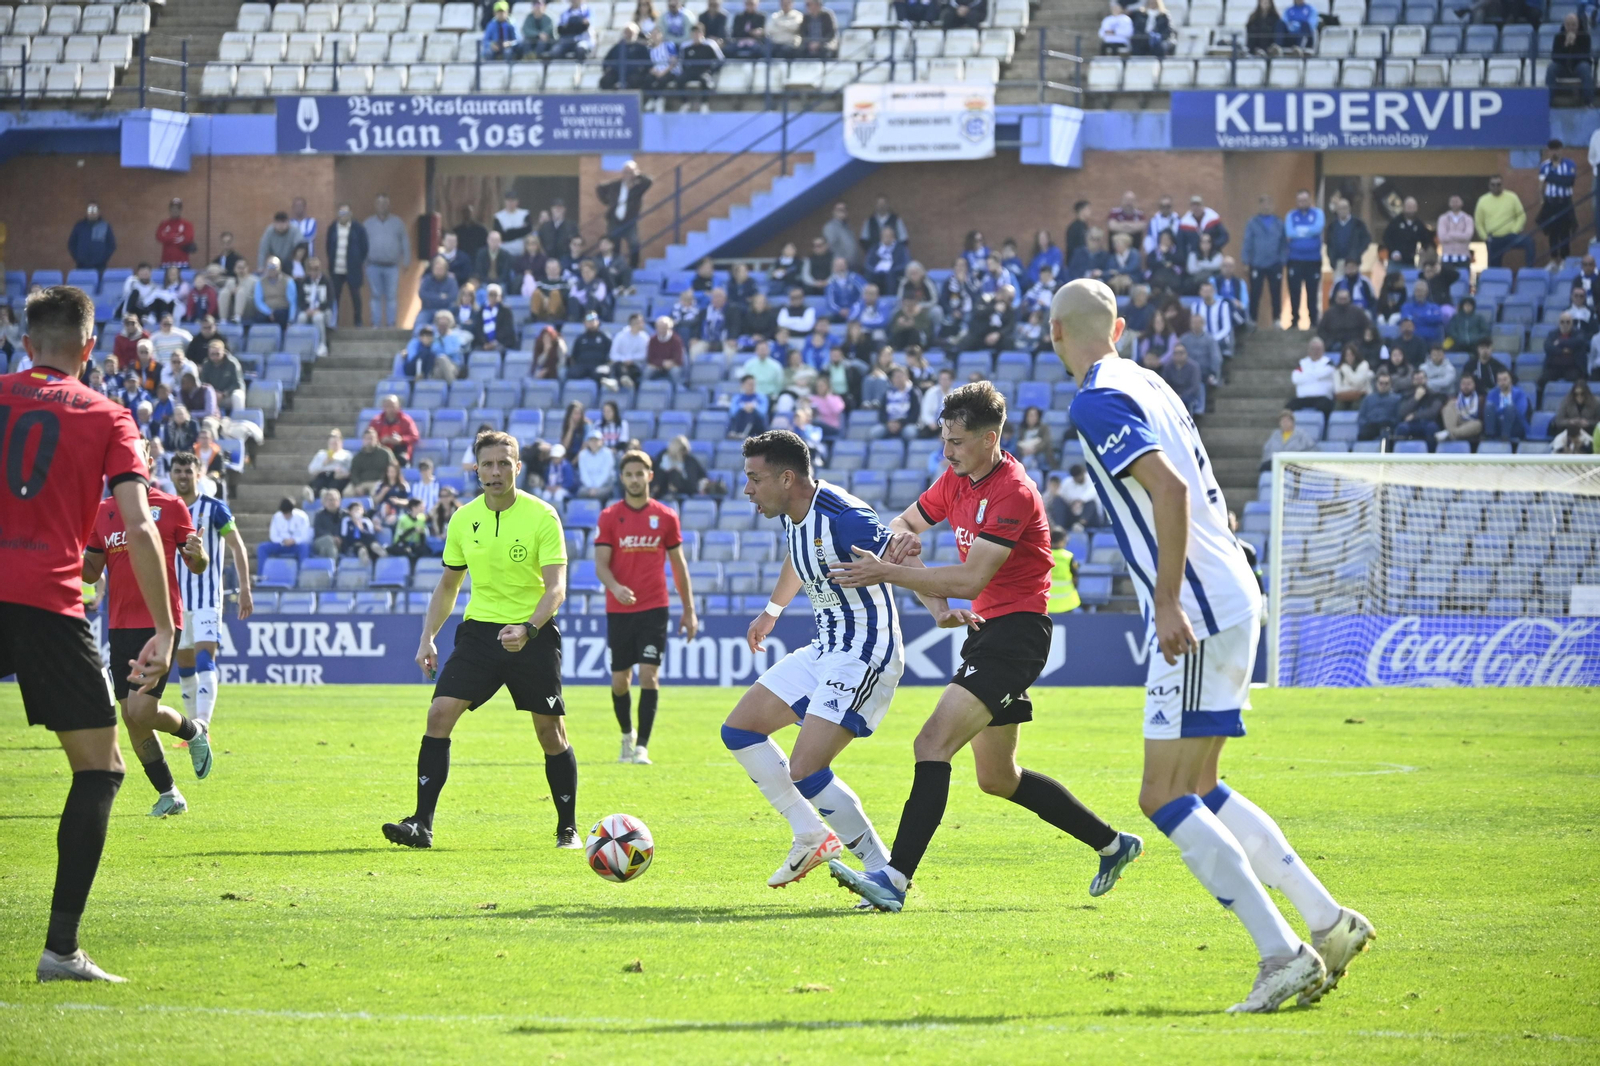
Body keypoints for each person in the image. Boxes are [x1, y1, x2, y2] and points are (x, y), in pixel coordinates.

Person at [1051, 278, 1371, 1010]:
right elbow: (1202, 486)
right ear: (1120, 328)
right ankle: (1326, 923)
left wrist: (1165, 600)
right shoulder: (1153, 383)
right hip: (1230, 590)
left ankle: (1280, 953)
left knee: (1160, 793)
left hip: (1195, 605)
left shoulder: (1096, 399)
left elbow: (1168, 490)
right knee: (1197, 787)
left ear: (1055, 335)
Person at [827, 379, 1140, 913]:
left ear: (990, 437)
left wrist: (885, 570)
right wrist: (906, 539)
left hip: (1016, 636)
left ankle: (894, 881)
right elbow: (905, 521)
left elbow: (971, 580)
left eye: (956, 442)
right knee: (998, 777)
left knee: (930, 745)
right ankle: (1114, 845)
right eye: (945, 440)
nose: (947, 452)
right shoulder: (957, 480)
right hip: (985, 633)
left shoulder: (1013, 491)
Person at [0, 288, 180, 983]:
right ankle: (60, 950)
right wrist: (164, 628)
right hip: (48, 601)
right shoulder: (109, 415)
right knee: (101, 770)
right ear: (88, 345)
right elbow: (137, 527)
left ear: (24, 345)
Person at [718, 430, 906, 888]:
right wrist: (772, 610)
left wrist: (942, 610)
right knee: (740, 730)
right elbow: (797, 556)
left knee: (805, 769)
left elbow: (902, 558)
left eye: (753, 479)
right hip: (826, 648)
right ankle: (810, 834)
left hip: (865, 651)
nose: (747, 490)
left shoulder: (847, 516)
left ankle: (883, 872)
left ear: (786, 478)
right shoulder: (792, 513)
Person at [381, 431, 576, 849]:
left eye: (504, 463)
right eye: (487, 464)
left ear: (517, 467)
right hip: (480, 634)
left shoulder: (543, 516)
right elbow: (449, 586)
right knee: (438, 715)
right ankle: (421, 824)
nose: (495, 471)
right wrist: (427, 638)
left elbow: (556, 589)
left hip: (533, 634)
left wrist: (528, 629)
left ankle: (568, 829)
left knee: (550, 734)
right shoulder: (462, 519)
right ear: (476, 469)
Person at [82, 441, 210, 817]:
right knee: (130, 715)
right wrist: (65, 548)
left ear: (149, 463)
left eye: (136, 457)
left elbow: (196, 564)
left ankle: (193, 730)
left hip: (159, 623)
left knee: (141, 708)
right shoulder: (102, 512)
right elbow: (90, 571)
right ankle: (169, 793)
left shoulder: (170, 506)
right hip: (119, 625)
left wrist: (199, 553)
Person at [593, 450, 698, 766]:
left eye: (640, 473)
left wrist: (689, 610)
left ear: (650, 476)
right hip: (619, 609)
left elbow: (679, 566)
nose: (635, 479)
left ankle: (642, 747)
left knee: (649, 676)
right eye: (629, 475)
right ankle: (627, 735)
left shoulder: (666, 517)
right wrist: (615, 587)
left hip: (654, 607)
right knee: (620, 680)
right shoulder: (609, 516)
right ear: (622, 479)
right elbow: (600, 565)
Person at [166, 450, 251, 735]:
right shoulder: (165, 510)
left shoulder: (214, 509)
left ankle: (203, 726)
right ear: (170, 474)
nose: (183, 476)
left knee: (205, 660)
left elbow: (237, 546)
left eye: (188, 471)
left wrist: (245, 589)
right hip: (176, 602)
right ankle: (193, 733)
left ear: (198, 473)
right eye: (178, 470)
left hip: (206, 599)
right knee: (185, 668)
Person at [364, 194, 411, 328]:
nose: (382, 206)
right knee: (375, 296)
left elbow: (405, 242)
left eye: (385, 203)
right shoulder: (368, 223)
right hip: (373, 266)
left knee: (391, 296)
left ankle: (391, 324)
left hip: (392, 267)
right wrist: (363, 263)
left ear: (389, 205)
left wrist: (406, 261)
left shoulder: (398, 223)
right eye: (379, 203)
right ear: (375, 205)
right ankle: (376, 324)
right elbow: (362, 244)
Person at [1241, 194, 1286, 330]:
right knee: (1255, 293)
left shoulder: (1279, 223)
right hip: (1257, 264)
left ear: (1272, 205)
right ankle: (1253, 320)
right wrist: (1246, 261)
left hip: (1274, 264)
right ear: (1259, 206)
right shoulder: (1252, 222)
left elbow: (1284, 244)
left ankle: (1277, 319)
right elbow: (1247, 242)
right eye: (1263, 203)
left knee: (1276, 293)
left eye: (1268, 203)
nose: (1266, 206)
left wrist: (1282, 261)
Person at [1283, 190, 1325, 330]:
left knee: (1312, 291)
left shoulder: (1318, 213)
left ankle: (1313, 321)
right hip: (1294, 259)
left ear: (1310, 200)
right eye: (1299, 200)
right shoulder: (1291, 215)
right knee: (1294, 291)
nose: (1302, 203)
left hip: (1313, 260)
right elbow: (1289, 232)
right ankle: (1294, 321)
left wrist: (1299, 232)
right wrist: (1308, 231)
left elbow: (1317, 229)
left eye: (1305, 200)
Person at [325, 203, 369, 328]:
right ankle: (334, 322)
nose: (343, 216)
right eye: (341, 214)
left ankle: (358, 322)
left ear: (350, 214)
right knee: (335, 296)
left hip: (353, 269)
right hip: (336, 269)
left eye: (345, 213)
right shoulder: (333, 228)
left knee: (355, 296)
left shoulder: (358, 228)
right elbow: (328, 247)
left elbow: (364, 248)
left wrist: (356, 260)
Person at [1475, 176, 1532, 270]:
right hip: (1493, 239)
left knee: (1529, 242)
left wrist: (1514, 230)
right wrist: (1485, 237)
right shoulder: (1482, 201)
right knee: (1494, 267)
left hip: (1511, 236)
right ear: (1489, 186)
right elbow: (1478, 222)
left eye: (1498, 184)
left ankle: (1529, 270)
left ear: (1503, 185)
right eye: (1493, 185)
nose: (1496, 187)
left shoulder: (1512, 197)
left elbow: (1521, 216)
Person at [1539, 139, 1580, 261]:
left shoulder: (1569, 164)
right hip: (1551, 202)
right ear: (1548, 151)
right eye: (1552, 149)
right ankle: (1554, 259)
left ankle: (1564, 258)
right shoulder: (1544, 166)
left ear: (1561, 150)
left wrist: (1551, 177)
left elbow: (1569, 182)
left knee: (1565, 232)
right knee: (1552, 233)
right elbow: (1541, 185)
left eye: (1557, 149)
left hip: (1565, 201)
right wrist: (1541, 200)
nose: (1554, 152)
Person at [1546, 17, 1593, 107]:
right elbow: (1555, 57)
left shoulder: (1585, 37)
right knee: (1551, 68)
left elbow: (1585, 57)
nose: (1570, 27)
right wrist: (1566, 45)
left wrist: (1574, 44)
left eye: (1573, 25)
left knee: (1585, 68)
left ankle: (1588, 102)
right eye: (1568, 25)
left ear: (1578, 25)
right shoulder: (1558, 37)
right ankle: (1548, 102)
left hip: (1578, 67)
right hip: (1562, 67)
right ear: (1564, 25)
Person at [1393, 368, 1446, 443]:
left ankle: (1431, 454)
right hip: (1411, 424)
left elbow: (1433, 412)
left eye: (1421, 378)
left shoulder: (1435, 395)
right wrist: (1415, 399)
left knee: (1432, 427)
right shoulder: (1407, 395)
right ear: (1412, 381)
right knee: (1401, 428)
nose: (1419, 381)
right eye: (1416, 379)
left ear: (1426, 379)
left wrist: (1415, 415)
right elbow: (1401, 412)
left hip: (1427, 422)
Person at [1288, 337, 1336, 416]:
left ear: (1323, 350)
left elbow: (1325, 372)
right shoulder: (1302, 363)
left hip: (1322, 398)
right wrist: (1317, 376)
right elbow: (1295, 379)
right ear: (1309, 350)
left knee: (1326, 406)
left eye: (1318, 349)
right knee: (1289, 407)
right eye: (1313, 349)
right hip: (1303, 398)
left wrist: (1306, 375)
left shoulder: (1328, 362)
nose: (1315, 352)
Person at [1323, 198, 1370, 276]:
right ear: (1337, 210)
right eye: (1340, 208)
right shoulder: (1332, 226)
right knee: (1339, 286)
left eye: (1345, 208)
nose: (1343, 210)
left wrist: (1357, 253)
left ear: (1349, 208)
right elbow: (1329, 243)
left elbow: (1366, 240)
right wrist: (1332, 258)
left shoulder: (1357, 224)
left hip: (1353, 261)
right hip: (1338, 262)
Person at [1382, 196, 1433, 267]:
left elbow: (1426, 239)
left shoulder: (1419, 224)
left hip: (1410, 261)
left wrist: (1423, 249)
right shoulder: (1395, 222)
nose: (1411, 210)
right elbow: (1386, 237)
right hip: (1395, 261)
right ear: (1404, 207)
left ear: (1416, 208)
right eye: (1408, 207)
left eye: (1413, 207)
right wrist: (1393, 251)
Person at [369, 395, 420, 465]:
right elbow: (369, 436)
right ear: (383, 407)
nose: (390, 409)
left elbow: (415, 436)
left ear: (398, 406)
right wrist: (381, 439)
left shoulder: (406, 420)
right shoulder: (376, 421)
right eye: (388, 406)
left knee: (402, 460)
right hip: (381, 449)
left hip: (400, 450)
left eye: (393, 406)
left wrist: (401, 439)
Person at [1551, 378, 1600, 451]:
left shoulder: (1596, 403)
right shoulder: (1566, 402)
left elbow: (1598, 422)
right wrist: (1570, 421)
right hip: (1569, 433)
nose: (1579, 396)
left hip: (1589, 432)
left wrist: (1588, 423)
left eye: (1582, 394)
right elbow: (1559, 421)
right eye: (1576, 394)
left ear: (1586, 393)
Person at [1483, 369, 1531, 442]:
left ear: (1510, 380)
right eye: (1499, 380)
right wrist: (1503, 411)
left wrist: (1502, 410)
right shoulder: (1492, 393)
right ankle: (1490, 436)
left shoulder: (1520, 394)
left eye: (1505, 380)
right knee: (1488, 406)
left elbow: (1520, 412)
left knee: (1510, 408)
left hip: (1515, 425)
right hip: (1498, 425)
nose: (1502, 383)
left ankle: (1505, 437)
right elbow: (1490, 413)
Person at [1439, 374, 1483, 445]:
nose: (1466, 386)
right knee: (1448, 407)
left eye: (1469, 384)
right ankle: (1452, 433)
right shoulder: (1454, 398)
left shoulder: (1480, 399)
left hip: (1470, 423)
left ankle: (1449, 434)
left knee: (1478, 424)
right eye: (1463, 384)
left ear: (1474, 385)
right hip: (1456, 421)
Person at [1357, 370, 1401, 440]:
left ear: (1390, 384)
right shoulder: (1367, 399)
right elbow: (1361, 417)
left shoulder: (1397, 399)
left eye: (1386, 383)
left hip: (1387, 426)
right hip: (1370, 426)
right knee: (1363, 435)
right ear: (1376, 383)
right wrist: (1365, 425)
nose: (1383, 386)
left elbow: (1398, 417)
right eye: (1381, 383)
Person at [155, 197, 196, 270]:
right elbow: (159, 237)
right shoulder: (164, 224)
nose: (175, 210)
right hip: (166, 262)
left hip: (182, 262)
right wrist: (175, 237)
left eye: (177, 208)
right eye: (173, 208)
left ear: (180, 210)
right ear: (169, 209)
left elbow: (188, 239)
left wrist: (168, 237)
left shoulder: (187, 224)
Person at [308, 429, 352, 494]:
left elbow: (351, 470)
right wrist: (324, 463)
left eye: (336, 438)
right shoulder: (321, 454)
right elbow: (311, 469)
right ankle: (313, 492)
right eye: (332, 438)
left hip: (337, 477)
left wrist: (343, 474)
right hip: (323, 475)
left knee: (335, 485)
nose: (334, 440)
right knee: (316, 484)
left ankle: (324, 494)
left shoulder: (346, 455)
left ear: (341, 441)